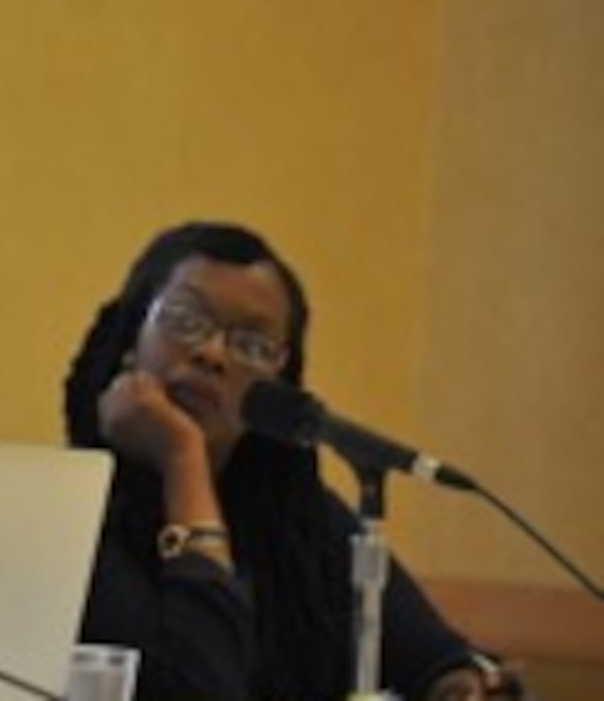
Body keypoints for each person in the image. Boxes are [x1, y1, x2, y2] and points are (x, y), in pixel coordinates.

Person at [62, 221, 519, 700]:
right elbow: (195, 690)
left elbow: (438, 661)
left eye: (252, 345)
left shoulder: (299, 520)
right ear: (132, 337)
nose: (213, 354)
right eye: (185, 319)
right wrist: (184, 459)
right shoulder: (74, 516)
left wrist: (463, 685)